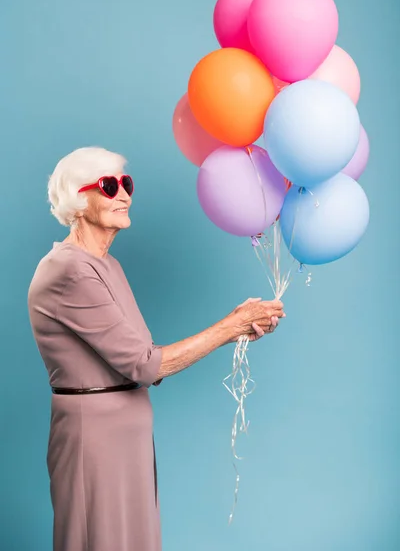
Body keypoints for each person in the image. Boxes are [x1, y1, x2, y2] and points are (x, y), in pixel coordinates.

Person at [28, 146, 285, 551]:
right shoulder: (69, 270)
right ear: (77, 200)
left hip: (123, 433)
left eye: (125, 184)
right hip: (94, 437)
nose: (124, 195)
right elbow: (146, 365)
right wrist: (229, 326)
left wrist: (233, 329)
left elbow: (141, 355)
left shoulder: (107, 265)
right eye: (108, 186)